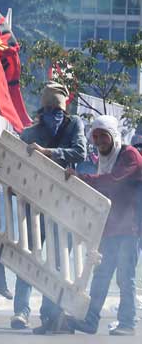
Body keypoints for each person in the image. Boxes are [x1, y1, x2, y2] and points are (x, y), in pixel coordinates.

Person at [0, 82, 87, 334]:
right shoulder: (32, 132)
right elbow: (11, 150)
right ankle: (21, 312)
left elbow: (80, 152)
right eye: (48, 108)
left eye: (56, 108)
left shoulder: (74, 125)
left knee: (57, 263)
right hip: (35, 201)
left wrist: (48, 152)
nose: (53, 113)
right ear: (42, 109)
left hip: (63, 205)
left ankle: (49, 313)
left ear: (64, 110)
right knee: (28, 257)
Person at [67, 115, 141, 336]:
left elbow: (112, 182)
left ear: (113, 135)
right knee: (101, 275)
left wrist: (80, 178)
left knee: (125, 277)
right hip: (111, 226)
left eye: (103, 135)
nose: (99, 140)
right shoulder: (104, 158)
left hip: (130, 228)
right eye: (95, 136)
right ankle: (90, 321)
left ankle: (127, 323)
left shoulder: (129, 155)